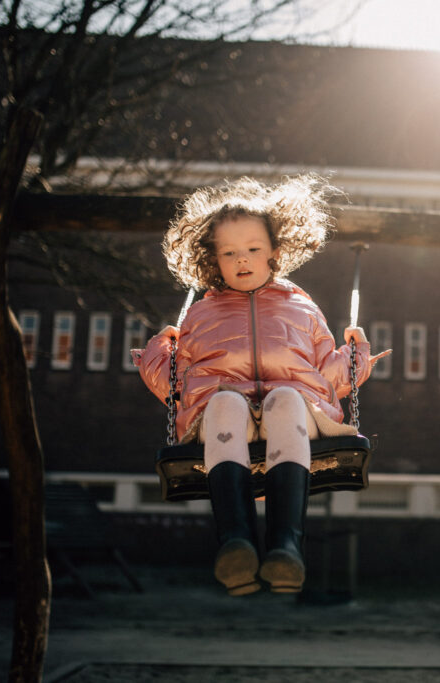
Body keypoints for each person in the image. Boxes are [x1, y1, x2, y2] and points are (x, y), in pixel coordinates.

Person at [136, 175, 389, 596]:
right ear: (212, 259)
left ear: (275, 250)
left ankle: (286, 545)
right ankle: (235, 542)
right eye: (229, 252)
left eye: (253, 249)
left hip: (295, 418)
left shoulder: (301, 307)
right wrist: (157, 351)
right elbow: (176, 384)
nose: (242, 260)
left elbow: (328, 374)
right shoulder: (200, 314)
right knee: (224, 403)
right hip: (225, 423)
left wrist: (356, 354)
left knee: (286, 397)